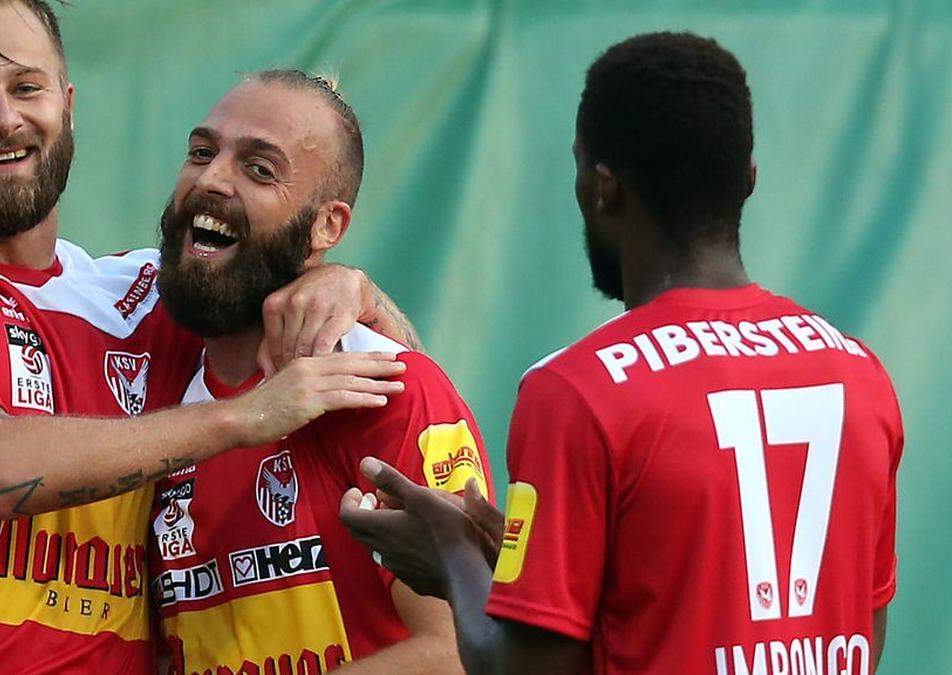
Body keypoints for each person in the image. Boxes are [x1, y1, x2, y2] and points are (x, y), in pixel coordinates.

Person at [0, 1, 422, 672]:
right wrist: (245, 416)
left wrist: (354, 287)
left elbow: (395, 362)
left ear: (66, 104)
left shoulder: (156, 298)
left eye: (26, 87)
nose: (4, 117)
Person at [341, 32, 902, 675]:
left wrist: (451, 559)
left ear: (602, 187)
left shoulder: (578, 390)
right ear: (746, 180)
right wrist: (527, 566)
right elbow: (857, 629)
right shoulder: (860, 375)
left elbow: (525, 671)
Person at [148, 70, 492, 674]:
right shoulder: (149, 386)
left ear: (327, 227)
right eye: (202, 152)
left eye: (259, 169)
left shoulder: (385, 388)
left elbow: (462, 651)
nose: (209, 179)